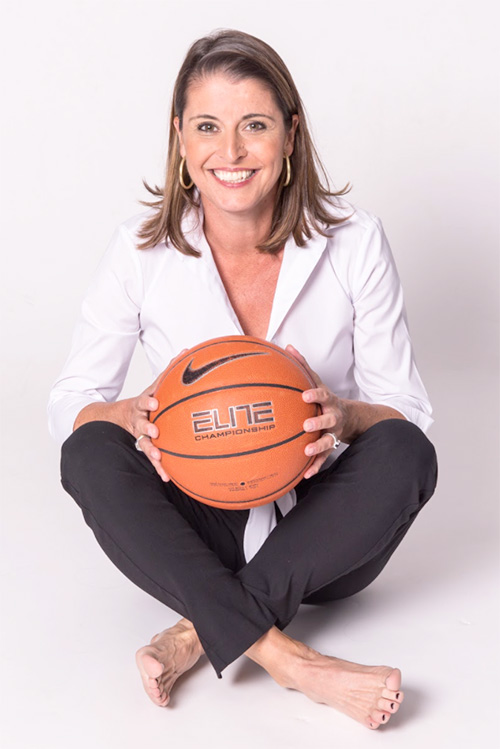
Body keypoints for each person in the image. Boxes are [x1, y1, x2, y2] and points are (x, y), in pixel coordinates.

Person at [48, 29, 437, 730]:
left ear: (290, 134)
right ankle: (291, 660)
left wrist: (344, 417)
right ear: (179, 137)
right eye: (207, 126)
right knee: (87, 451)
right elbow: (68, 402)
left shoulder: (355, 240)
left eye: (253, 125)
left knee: (408, 453)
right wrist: (131, 410)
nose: (229, 153)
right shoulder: (140, 249)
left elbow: (408, 411)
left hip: (326, 531)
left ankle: (197, 630)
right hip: (202, 510)